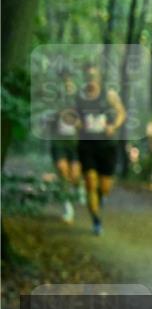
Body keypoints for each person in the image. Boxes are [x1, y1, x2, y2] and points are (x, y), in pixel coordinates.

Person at [75, 62, 127, 235]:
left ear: (98, 77)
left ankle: (101, 197)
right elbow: (71, 117)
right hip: (87, 145)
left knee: (104, 187)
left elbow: (121, 113)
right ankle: (96, 220)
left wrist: (114, 126)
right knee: (90, 183)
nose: (91, 79)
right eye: (88, 76)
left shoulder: (109, 95)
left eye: (93, 76)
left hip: (107, 146)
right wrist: (77, 124)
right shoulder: (79, 97)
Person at [49, 70, 84, 223]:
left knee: (74, 175)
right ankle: (68, 208)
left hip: (75, 144)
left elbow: (86, 124)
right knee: (63, 172)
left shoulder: (80, 102)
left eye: (69, 82)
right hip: (58, 142)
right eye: (64, 82)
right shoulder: (53, 100)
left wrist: (78, 123)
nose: (67, 85)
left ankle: (79, 186)